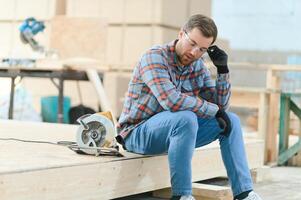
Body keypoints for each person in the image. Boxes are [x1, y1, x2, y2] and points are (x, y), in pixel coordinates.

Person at [116, 14, 262, 200]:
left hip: (175, 134)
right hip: (137, 133)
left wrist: (223, 71)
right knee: (185, 117)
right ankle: (182, 195)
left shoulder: (198, 66)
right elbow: (171, 101)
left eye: (202, 49)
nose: (194, 52)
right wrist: (211, 109)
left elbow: (220, 108)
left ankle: (244, 193)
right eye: (192, 43)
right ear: (181, 34)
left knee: (231, 120)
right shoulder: (154, 57)